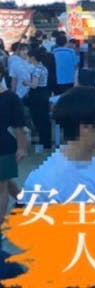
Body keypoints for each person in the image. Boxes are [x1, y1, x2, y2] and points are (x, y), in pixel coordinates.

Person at [0, 64, 27, 239]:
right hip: (5, 145)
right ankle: (23, 201)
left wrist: (22, 147)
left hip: (3, 145)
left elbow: (18, 125)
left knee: (1, 185)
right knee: (4, 180)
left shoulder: (10, 98)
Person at [26, 47, 52, 152]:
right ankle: (46, 142)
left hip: (37, 95)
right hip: (44, 93)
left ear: (32, 58)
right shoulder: (43, 68)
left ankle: (42, 143)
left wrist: (26, 82)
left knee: (38, 119)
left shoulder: (36, 69)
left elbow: (34, 85)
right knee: (45, 119)